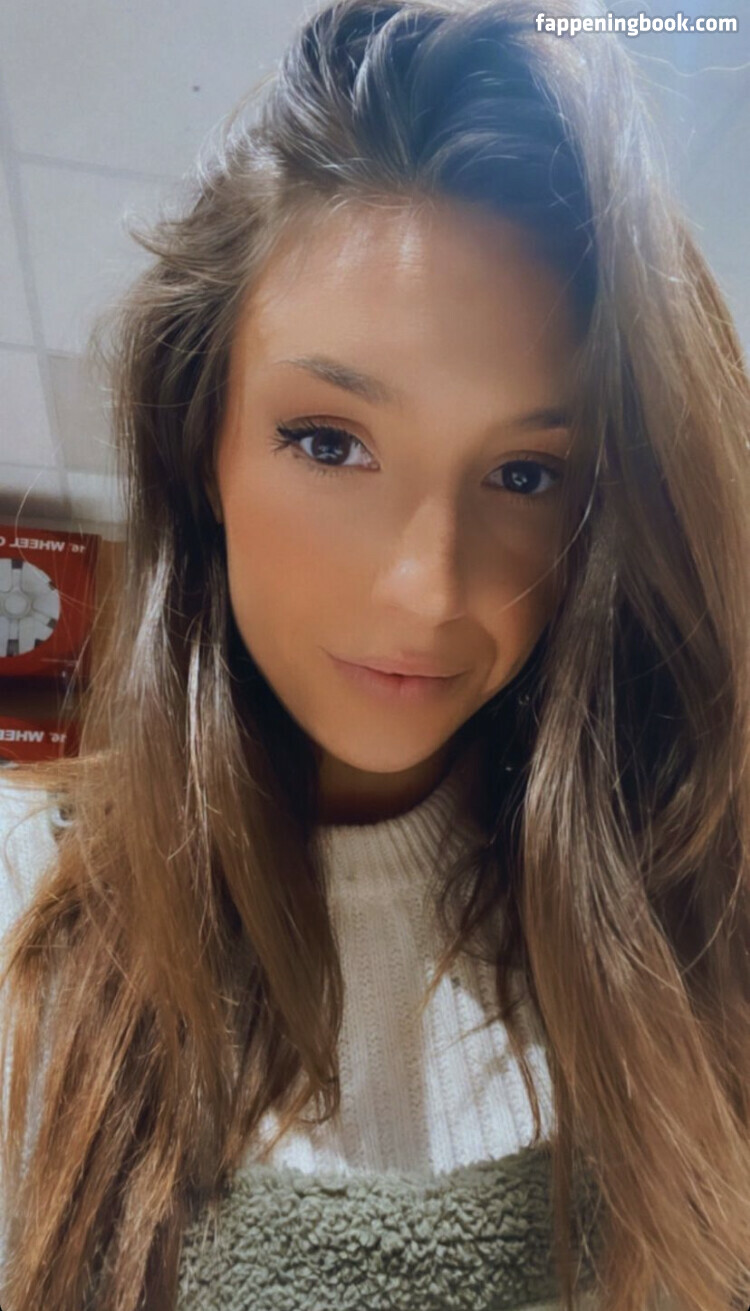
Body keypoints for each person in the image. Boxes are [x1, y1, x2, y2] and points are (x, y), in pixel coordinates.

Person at [1, 0, 748, 1306]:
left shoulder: (691, 922)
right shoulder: (28, 908)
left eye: (525, 473)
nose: (427, 591)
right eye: (329, 442)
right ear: (200, 444)